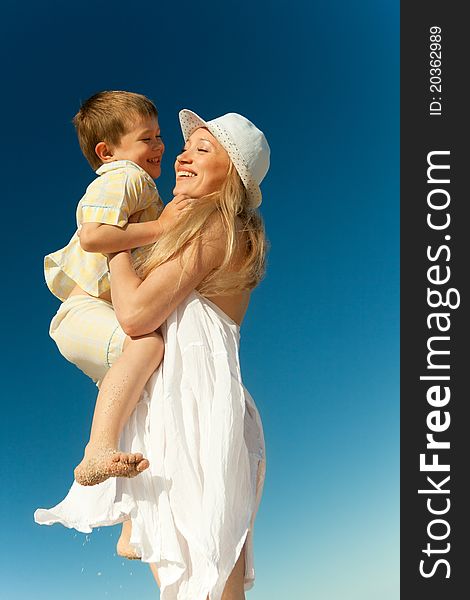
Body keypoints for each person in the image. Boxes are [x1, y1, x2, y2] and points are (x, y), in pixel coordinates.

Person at [35, 109, 270, 600]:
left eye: (202, 150)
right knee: (204, 570)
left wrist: (116, 245)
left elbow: (137, 314)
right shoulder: (207, 227)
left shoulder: (216, 225)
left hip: (198, 405)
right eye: (186, 146)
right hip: (189, 400)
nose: (182, 155)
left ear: (234, 175)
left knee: (203, 571)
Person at [44, 90, 188, 486]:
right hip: (82, 312)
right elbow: (92, 235)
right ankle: (97, 451)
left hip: (98, 316)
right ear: (107, 152)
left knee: (134, 401)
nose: (159, 146)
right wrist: (163, 226)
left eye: (159, 135)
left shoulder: (141, 186)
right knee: (149, 346)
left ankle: (128, 519)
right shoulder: (126, 176)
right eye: (146, 138)